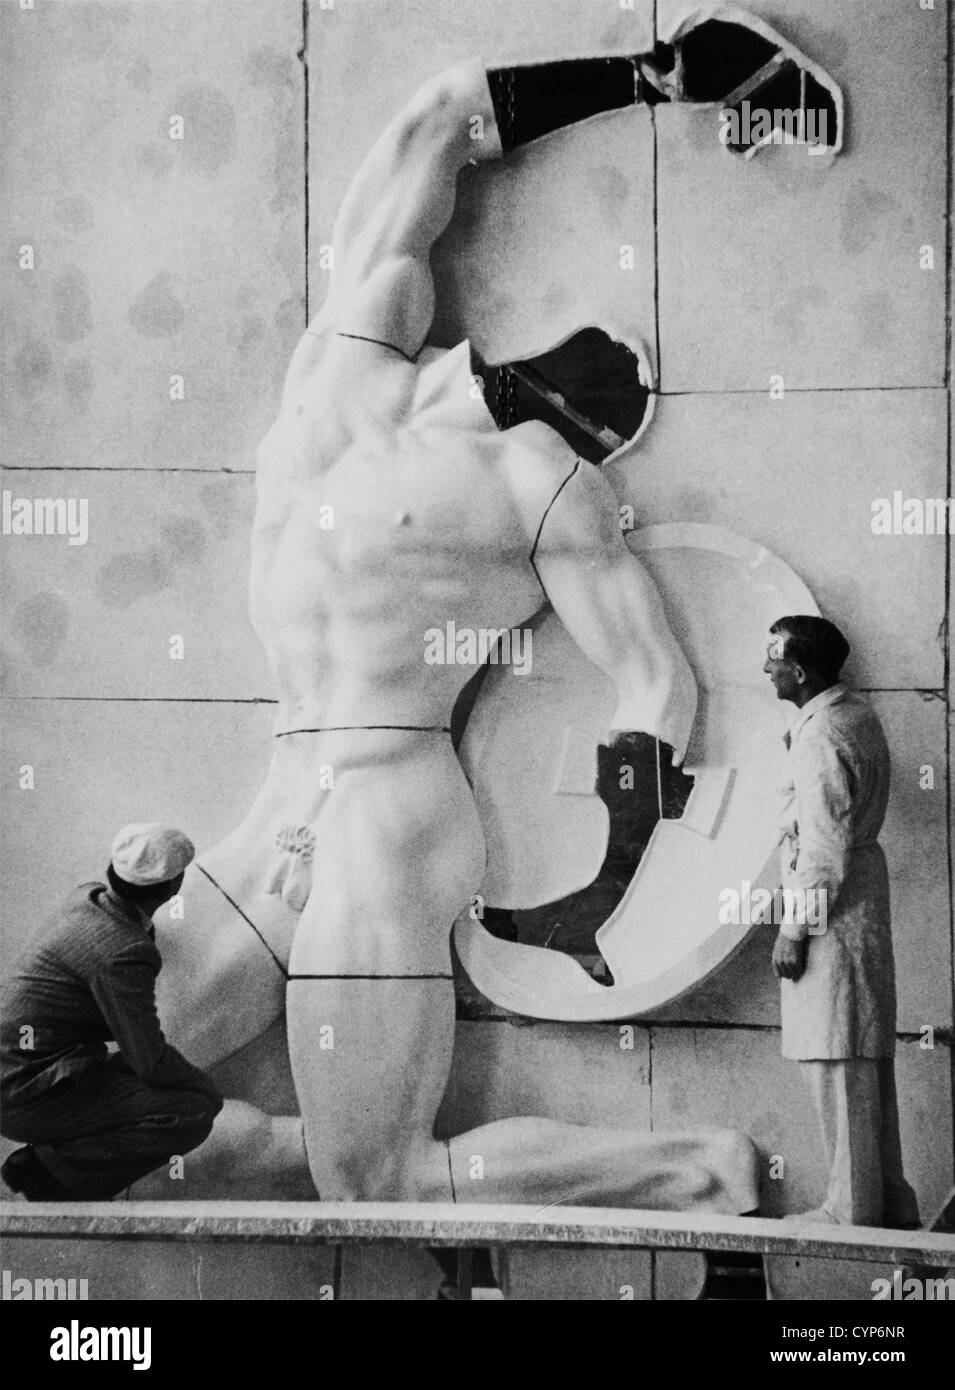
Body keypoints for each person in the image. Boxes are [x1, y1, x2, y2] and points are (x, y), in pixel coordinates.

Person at [763, 615, 920, 1228]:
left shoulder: (821, 735)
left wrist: (792, 931)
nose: (766, 669)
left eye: (773, 659)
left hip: (833, 912)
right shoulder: (851, 714)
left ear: (799, 672)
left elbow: (822, 851)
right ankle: (888, 1208)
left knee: (838, 1064)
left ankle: (851, 1216)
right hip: (858, 904)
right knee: (861, 1065)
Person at [1, 824, 222, 1201]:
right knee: (193, 1110)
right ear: (174, 886)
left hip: (26, 1071)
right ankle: (47, 1173)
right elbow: (148, 1061)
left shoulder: (86, 900)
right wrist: (206, 1088)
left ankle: (49, 1165)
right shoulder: (124, 950)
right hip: (23, 1095)